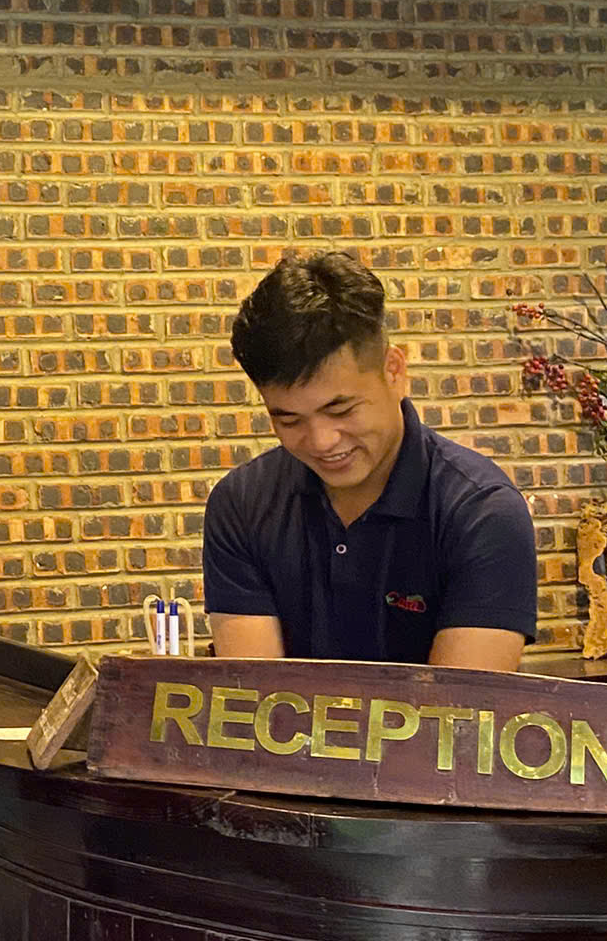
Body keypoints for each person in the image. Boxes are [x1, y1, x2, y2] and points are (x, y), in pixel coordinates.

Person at [201, 252, 536, 670]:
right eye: (288, 420)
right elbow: (253, 695)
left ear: (394, 371)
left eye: (341, 410)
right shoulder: (242, 504)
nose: (321, 441)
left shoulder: (482, 512)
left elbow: (458, 706)